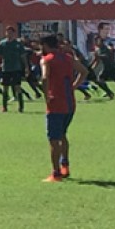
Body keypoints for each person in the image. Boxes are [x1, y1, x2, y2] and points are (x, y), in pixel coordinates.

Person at [39, 35, 88, 183]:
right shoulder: (68, 58)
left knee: (54, 139)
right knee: (62, 135)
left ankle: (56, 173)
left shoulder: (47, 59)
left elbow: (45, 78)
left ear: (45, 45)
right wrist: (74, 86)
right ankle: (65, 166)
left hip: (56, 103)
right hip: (70, 103)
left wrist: (46, 95)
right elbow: (84, 71)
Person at [0, 26, 28, 113]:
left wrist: (26, 67)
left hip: (16, 68)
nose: (9, 34)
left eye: (11, 32)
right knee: (5, 87)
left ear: (13, 33)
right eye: (8, 32)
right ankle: (4, 107)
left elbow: (23, 56)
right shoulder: (2, 43)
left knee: (17, 87)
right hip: (6, 69)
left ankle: (21, 107)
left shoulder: (18, 44)